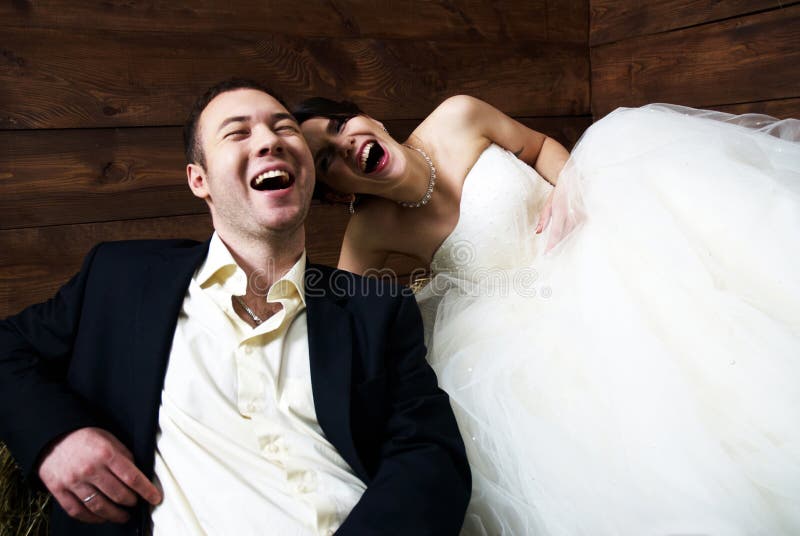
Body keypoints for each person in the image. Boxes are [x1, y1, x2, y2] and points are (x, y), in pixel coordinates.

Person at [294, 95, 800, 535]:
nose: (346, 146)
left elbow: (536, 147)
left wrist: (566, 191)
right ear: (339, 193)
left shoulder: (458, 116)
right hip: (520, 320)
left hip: (594, 241)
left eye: (340, 127)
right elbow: (347, 320)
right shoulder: (370, 230)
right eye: (328, 159)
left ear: (368, 120)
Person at [0, 78, 471, 536]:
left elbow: (430, 456)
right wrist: (56, 439)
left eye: (285, 128)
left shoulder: (375, 307)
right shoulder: (120, 278)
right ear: (198, 179)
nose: (271, 140)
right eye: (238, 132)